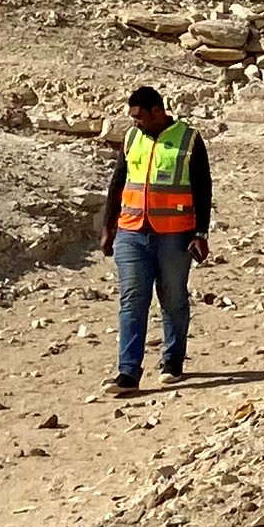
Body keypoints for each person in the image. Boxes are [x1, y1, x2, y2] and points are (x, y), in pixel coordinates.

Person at [106, 85, 213, 395]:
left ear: (157, 111)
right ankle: (128, 372)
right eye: (132, 117)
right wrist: (107, 227)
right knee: (132, 300)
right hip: (131, 232)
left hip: (175, 235)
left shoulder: (188, 138)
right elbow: (118, 181)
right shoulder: (131, 137)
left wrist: (201, 233)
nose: (135, 122)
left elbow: (203, 187)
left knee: (173, 297)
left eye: (140, 116)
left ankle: (173, 361)